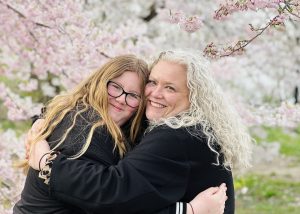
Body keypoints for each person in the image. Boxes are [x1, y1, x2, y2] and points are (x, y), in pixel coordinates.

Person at [28, 50, 253, 214]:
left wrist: (47, 161)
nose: (155, 93)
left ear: (193, 98)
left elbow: (113, 194)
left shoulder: (175, 137)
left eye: (170, 88)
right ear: (98, 83)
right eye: (153, 82)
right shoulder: (90, 126)